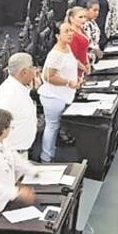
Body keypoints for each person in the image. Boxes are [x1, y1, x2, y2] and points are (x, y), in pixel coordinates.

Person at [0, 108, 36, 218]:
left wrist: (33, 171)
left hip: (6, 198)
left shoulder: (2, 140)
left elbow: (14, 158)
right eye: (10, 127)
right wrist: (17, 193)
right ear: (3, 130)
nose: (11, 130)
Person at [38, 23, 82, 162]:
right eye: (66, 32)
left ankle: (52, 151)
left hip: (64, 94)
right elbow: (48, 77)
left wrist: (82, 66)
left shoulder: (67, 47)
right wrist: (69, 83)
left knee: (56, 125)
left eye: (71, 31)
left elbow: (71, 61)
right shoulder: (55, 54)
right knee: (52, 126)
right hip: (53, 96)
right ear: (57, 35)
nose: (70, 34)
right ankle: (45, 156)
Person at [0, 52, 38, 157]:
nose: (35, 71)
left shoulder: (21, 88)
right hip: (11, 154)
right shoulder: (8, 94)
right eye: (32, 67)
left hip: (19, 152)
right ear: (24, 72)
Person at [64, 6, 92, 77]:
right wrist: (83, 68)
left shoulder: (81, 30)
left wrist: (87, 63)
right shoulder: (72, 36)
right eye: (80, 17)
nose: (84, 20)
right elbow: (72, 58)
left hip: (83, 67)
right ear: (71, 19)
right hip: (74, 72)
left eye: (85, 17)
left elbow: (84, 50)